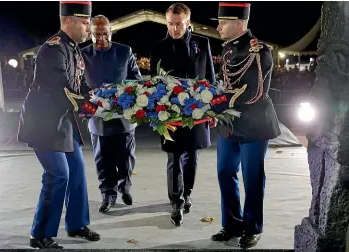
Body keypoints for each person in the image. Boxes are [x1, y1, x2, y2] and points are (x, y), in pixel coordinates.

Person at [17, 1, 100, 249]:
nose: (89, 28)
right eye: (85, 23)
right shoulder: (54, 48)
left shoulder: (73, 48)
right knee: (57, 174)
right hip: (45, 121)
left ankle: (76, 224)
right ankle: (40, 234)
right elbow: (64, 88)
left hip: (63, 119)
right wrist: (93, 105)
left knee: (76, 171)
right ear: (68, 22)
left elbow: (81, 84)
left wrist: (102, 96)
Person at [210, 2, 281, 249]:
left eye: (223, 22)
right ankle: (231, 224)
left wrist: (211, 104)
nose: (218, 26)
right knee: (224, 172)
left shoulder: (258, 51)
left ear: (239, 24)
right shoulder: (228, 48)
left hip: (253, 123)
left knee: (252, 177)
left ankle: (252, 228)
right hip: (229, 123)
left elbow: (252, 92)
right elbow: (224, 83)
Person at [150, 3, 215, 226]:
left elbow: (210, 78)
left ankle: (187, 193)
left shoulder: (202, 43)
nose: (174, 29)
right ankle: (175, 202)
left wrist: (213, 108)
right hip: (169, 113)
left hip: (196, 110)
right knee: (174, 156)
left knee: (192, 155)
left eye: (179, 24)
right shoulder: (158, 47)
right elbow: (153, 83)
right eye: (170, 24)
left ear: (188, 23)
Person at [81, 15, 142, 213]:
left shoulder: (125, 51)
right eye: (96, 35)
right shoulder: (82, 54)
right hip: (97, 117)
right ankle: (108, 195)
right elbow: (77, 84)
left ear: (111, 32)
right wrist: (86, 94)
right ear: (90, 34)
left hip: (123, 115)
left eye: (105, 34)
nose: (101, 39)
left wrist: (126, 92)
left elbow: (136, 79)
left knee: (126, 158)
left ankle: (125, 188)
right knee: (103, 160)